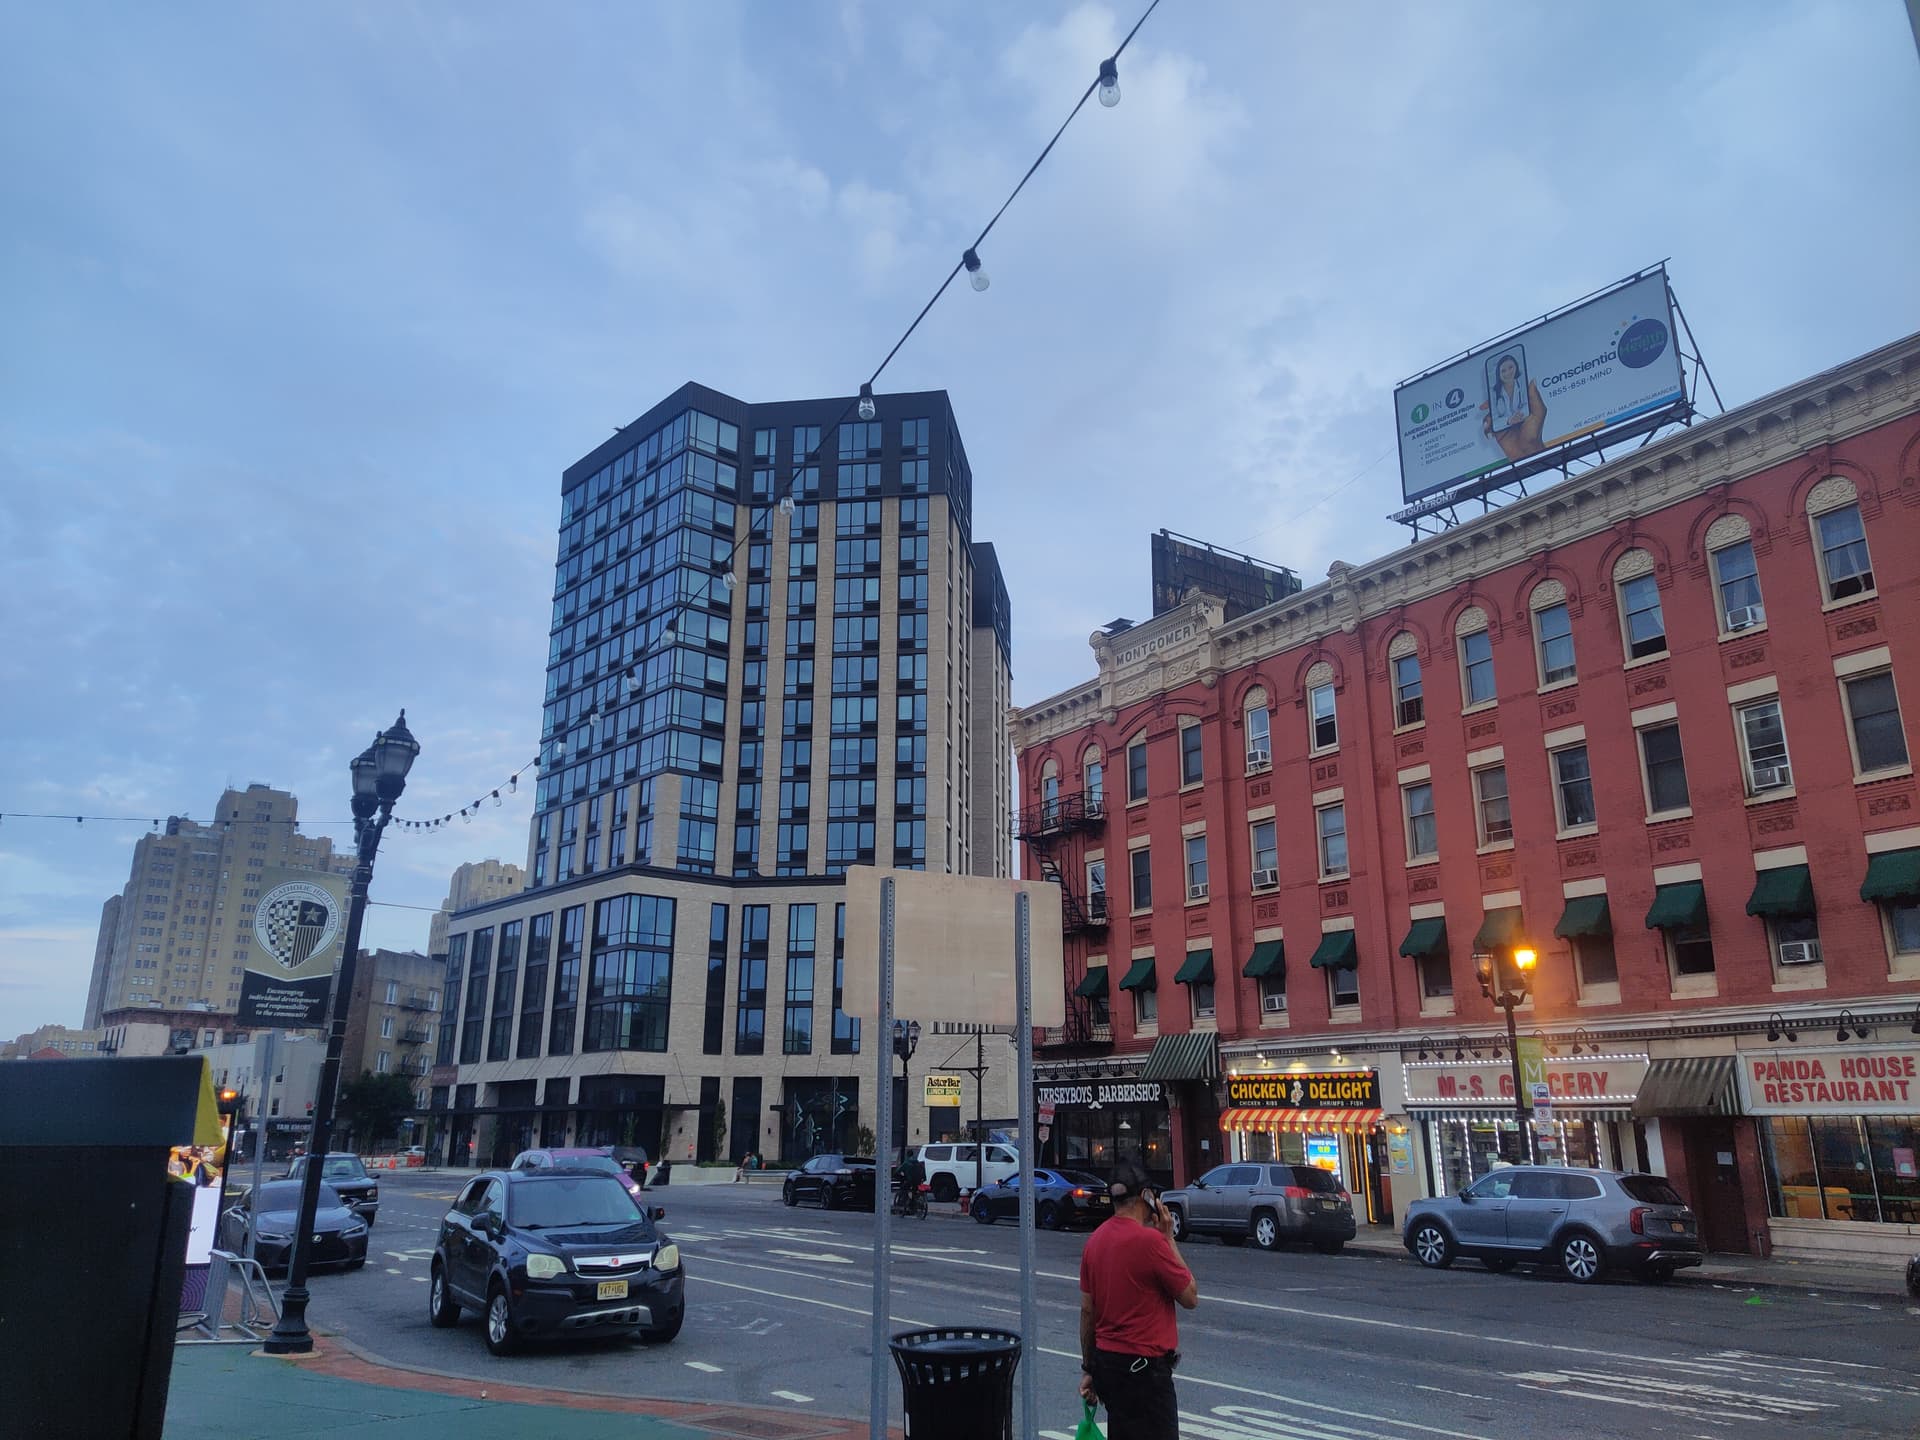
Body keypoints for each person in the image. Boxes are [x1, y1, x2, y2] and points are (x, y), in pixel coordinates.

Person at [1078, 1160, 1198, 1439]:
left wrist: (1089, 1368)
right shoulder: (1152, 1242)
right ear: (1146, 1196)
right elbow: (1190, 1296)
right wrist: (1168, 1239)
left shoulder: (1094, 1242)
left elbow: (1087, 1312)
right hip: (1145, 1372)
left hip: (1108, 1366)